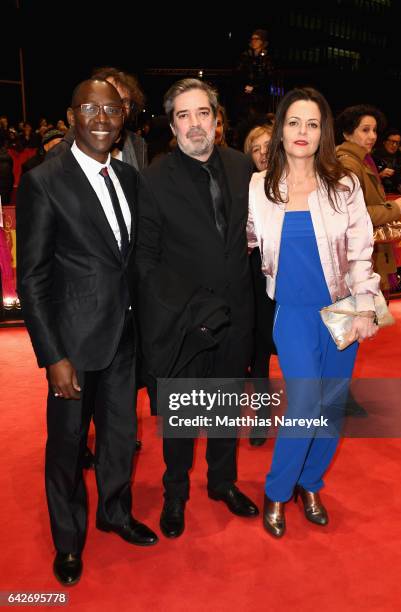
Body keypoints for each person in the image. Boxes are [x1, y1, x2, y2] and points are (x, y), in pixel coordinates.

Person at [17, 79, 158, 587]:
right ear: (73, 114)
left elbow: (131, 260)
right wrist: (52, 354)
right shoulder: (43, 181)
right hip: (72, 345)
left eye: (112, 109)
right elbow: (32, 278)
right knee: (67, 444)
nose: (102, 118)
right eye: (91, 109)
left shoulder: (128, 176)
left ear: (124, 116)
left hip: (124, 335)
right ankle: (68, 540)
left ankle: (115, 513)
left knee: (121, 435)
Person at [247, 87, 380, 538]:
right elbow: (242, 243)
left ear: (322, 132)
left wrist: (364, 308)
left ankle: (310, 483)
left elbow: (362, 251)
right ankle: (277, 491)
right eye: (293, 122)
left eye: (312, 124)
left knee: (332, 404)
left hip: (343, 308)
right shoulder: (260, 186)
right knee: (305, 401)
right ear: (279, 129)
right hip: (294, 312)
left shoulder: (343, 184)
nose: (302, 132)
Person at [136, 78, 259, 539]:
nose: (193, 124)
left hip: (236, 313)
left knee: (227, 405)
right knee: (183, 414)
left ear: (217, 119)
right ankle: (174, 493)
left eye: (201, 113)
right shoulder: (153, 178)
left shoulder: (243, 166)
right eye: (183, 115)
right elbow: (145, 258)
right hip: (184, 320)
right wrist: (173, 309)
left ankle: (222, 483)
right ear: (172, 125)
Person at [336, 105, 401, 297]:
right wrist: (395, 208)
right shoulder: (348, 164)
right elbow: (351, 215)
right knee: (365, 321)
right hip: (362, 259)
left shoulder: (362, 160)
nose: (373, 136)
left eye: (375, 130)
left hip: (370, 254)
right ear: (347, 133)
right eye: (365, 130)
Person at [244, 124, 276, 446]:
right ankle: (262, 416)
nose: (264, 152)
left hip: (291, 279)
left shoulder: (296, 182)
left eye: (269, 144)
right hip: (255, 276)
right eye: (256, 148)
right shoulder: (248, 186)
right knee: (260, 348)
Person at [372, 127, 401, 195]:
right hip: (379, 195)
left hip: (400, 195)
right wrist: (379, 176)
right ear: (384, 142)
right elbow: (365, 182)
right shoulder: (373, 158)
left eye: (397, 143)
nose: (394, 145)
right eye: (392, 141)